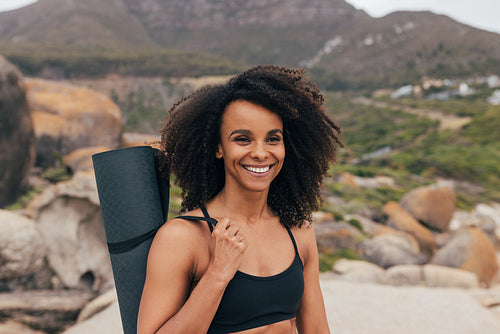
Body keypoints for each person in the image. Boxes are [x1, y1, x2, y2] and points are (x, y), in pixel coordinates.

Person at [137, 65, 344, 333]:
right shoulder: (182, 238)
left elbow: (316, 331)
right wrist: (217, 274)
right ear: (218, 147)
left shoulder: (299, 231)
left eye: (273, 138)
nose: (260, 153)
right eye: (243, 139)